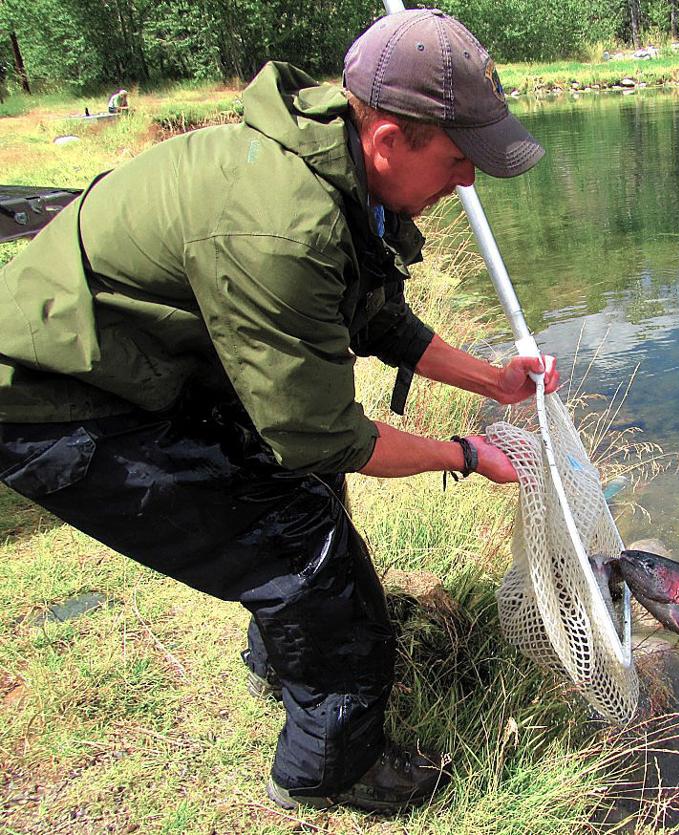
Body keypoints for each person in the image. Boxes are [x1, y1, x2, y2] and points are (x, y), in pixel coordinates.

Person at [0, 9, 556, 816]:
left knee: (301, 508)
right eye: (460, 157)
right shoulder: (282, 225)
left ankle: (288, 650)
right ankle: (329, 771)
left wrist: (494, 380)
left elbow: (372, 317)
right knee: (312, 558)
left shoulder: (338, 168)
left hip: (143, 361)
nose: (467, 180)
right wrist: (466, 455)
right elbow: (322, 434)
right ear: (391, 139)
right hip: (58, 392)